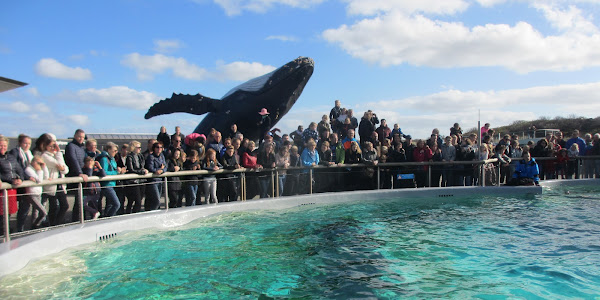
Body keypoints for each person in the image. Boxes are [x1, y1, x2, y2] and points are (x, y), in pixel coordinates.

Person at [40, 135, 70, 226]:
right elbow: (59, 164)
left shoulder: (55, 155)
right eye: (50, 146)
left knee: (64, 206)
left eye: (54, 146)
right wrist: (59, 153)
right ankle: (54, 224)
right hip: (52, 185)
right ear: (45, 146)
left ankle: (56, 223)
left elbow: (65, 169)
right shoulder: (45, 156)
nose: (53, 148)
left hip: (60, 184)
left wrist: (61, 165)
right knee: (54, 207)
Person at [65, 129, 88, 222]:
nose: (81, 139)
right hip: (75, 176)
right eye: (79, 136)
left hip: (82, 176)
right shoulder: (70, 146)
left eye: (82, 137)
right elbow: (73, 160)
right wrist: (79, 173)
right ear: (75, 136)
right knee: (78, 201)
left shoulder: (82, 148)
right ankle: (76, 220)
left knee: (81, 200)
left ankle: (81, 219)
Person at [96, 142, 125, 217]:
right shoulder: (104, 159)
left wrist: (119, 171)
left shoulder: (112, 159)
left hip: (112, 184)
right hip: (106, 185)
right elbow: (104, 172)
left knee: (110, 204)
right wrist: (116, 172)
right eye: (114, 150)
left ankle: (108, 218)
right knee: (116, 204)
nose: (116, 152)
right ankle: (108, 218)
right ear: (108, 150)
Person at [22, 156, 49, 230]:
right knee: (43, 212)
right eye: (38, 163)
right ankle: (35, 225)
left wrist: (44, 167)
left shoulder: (39, 169)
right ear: (33, 162)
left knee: (36, 213)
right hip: (32, 193)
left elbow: (46, 177)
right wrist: (39, 170)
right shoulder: (29, 169)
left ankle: (34, 229)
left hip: (39, 192)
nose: (39, 165)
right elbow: (39, 180)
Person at [124, 141, 148, 213]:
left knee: (140, 200)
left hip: (142, 181)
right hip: (133, 181)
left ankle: (135, 213)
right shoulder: (129, 157)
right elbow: (131, 169)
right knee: (136, 201)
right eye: (138, 147)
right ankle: (132, 214)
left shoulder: (140, 156)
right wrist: (141, 172)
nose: (140, 149)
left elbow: (143, 165)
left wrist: (144, 170)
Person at [145, 142, 166, 210]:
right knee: (157, 201)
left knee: (158, 199)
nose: (159, 149)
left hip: (160, 180)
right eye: (157, 147)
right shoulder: (151, 157)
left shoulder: (162, 156)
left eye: (160, 147)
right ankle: (152, 213)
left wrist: (162, 170)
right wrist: (158, 170)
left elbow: (165, 166)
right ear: (154, 148)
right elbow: (150, 167)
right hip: (153, 181)